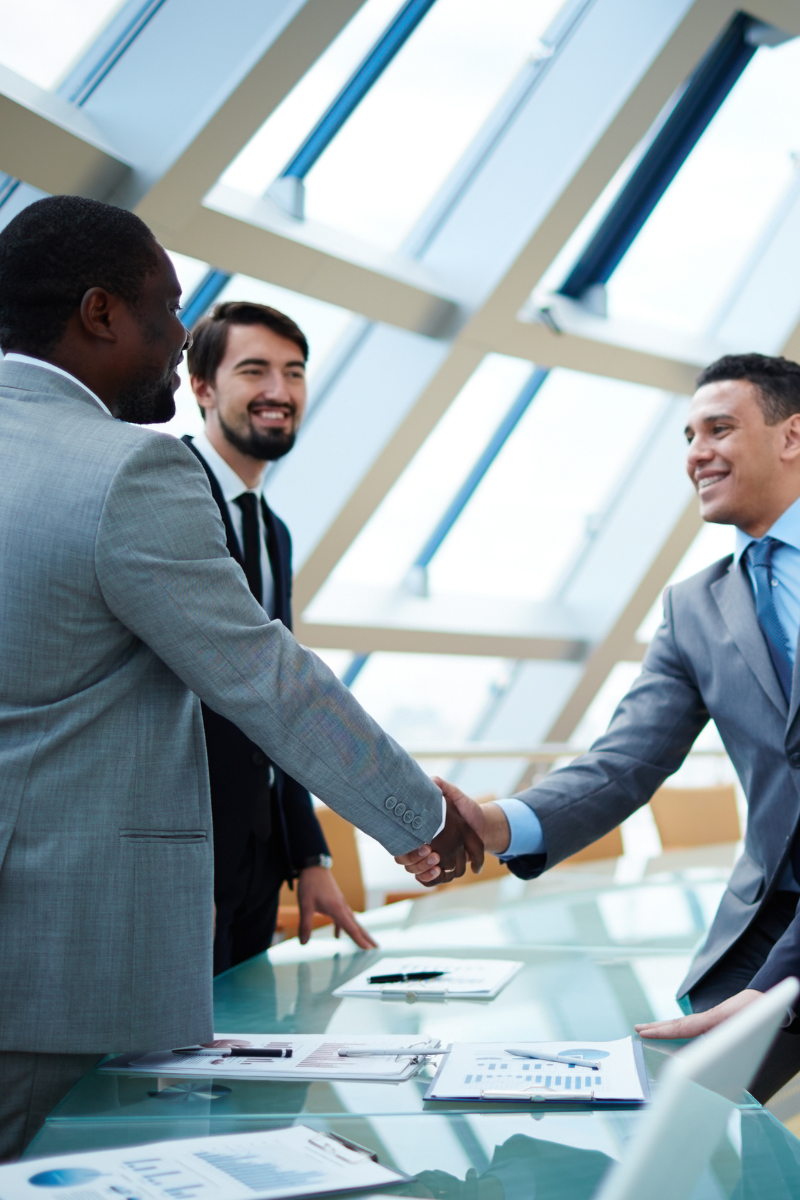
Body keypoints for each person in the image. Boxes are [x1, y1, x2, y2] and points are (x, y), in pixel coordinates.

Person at [0, 195, 481, 1159]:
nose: (179, 337)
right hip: (71, 963)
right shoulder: (127, 473)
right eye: (167, 309)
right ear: (99, 313)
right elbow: (264, 678)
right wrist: (420, 817)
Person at [399, 353, 800, 1103]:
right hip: (772, 921)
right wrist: (490, 824)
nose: (696, 455)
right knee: (679, 1110)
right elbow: (626, 761)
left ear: (792, 436)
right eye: (688, 436)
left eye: (719, 428)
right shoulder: (695, 608)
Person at [183, 300, 375, 972]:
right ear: (202, 386)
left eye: (293, 373)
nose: (279, 392)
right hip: (186, 862)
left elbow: (279, 702)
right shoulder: (166, 492)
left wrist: (308, 855)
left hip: (258, 857)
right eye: (254, 370)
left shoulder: (273, 530)